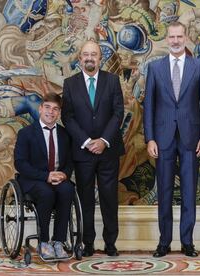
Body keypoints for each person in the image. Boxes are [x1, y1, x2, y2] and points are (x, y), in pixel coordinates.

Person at [143, 21, 200, 258]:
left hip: (191, 139)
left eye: (179, 37)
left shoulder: (199, 67)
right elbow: (149, 106)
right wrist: (150, 139)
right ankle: (164, 242)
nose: (175, 41)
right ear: (166, 39)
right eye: (171, 37)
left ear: (186, 38)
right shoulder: (154, 68)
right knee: (163, 190)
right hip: (162, 139)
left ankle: (187, 241)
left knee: (189, 191)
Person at [62, 40, 125, 257]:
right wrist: (87, 141)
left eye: (94, 54)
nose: (90, 58)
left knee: (109, 198)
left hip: (108, 150)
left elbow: (118, 113)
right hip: (82, 152)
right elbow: (67, 117)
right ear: (80, 58)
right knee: (85, 199)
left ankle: (110, 243)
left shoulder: (112, 80)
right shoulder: (70, 84)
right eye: (86, 54)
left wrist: (103, 140)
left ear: (100, 58)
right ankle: (86, 243)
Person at [14, 92, 74, 260]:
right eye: (47, 107)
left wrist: (64, 174)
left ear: (59, 112)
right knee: (46, 192)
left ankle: (59, 241)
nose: (51, 112)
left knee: (67, 190)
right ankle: (44, 242)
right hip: (33, 179)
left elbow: (70, 161)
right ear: (40, 109)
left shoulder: (64, 134)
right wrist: (46, 176)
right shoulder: (26, 133)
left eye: (55, 109)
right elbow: (20, 163)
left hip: (57, 178)